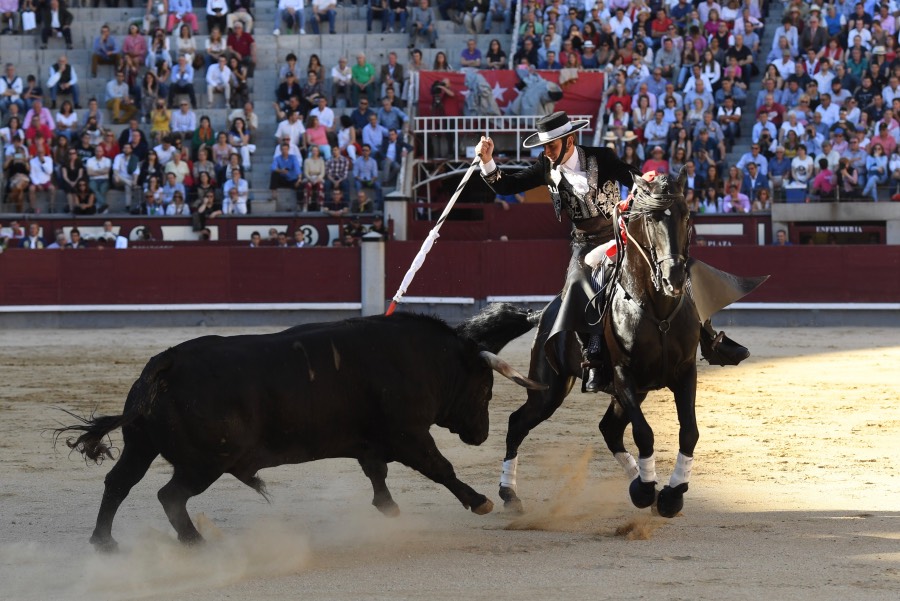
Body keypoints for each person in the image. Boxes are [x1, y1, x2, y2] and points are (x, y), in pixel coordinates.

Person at [475, 112, 749, 392]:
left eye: (551, 145)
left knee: (675, 266)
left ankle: (710, 338)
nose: (546, 151)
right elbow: (508, 184)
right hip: (584, 243)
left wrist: (647, 182)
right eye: (545, 146)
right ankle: (593, 356)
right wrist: (487, 161)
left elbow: (630, 176)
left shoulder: (601, 157)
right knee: (577, 287)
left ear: (569, 140)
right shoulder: (546, 167)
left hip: (621, 234)